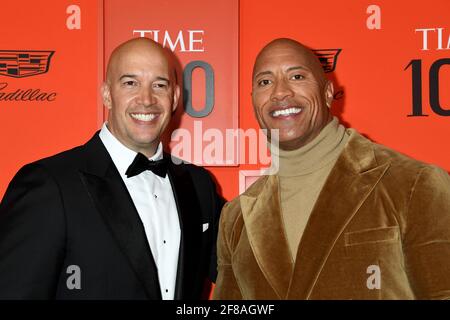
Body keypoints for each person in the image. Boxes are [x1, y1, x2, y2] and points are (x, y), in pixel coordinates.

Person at [213, 38, 450, 300]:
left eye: (297, 76)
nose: (280, 92)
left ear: (328, 92)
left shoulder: (414, 184)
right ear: (254, 101)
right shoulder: (235, 218)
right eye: (265, 82)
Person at [0, 38, 223, 299]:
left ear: (174, 97)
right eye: (130, 83)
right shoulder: (50, 184)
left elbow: (246, 269)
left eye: (159, 85)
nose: (147, 99)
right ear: (107, 94)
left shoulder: (198, 186)